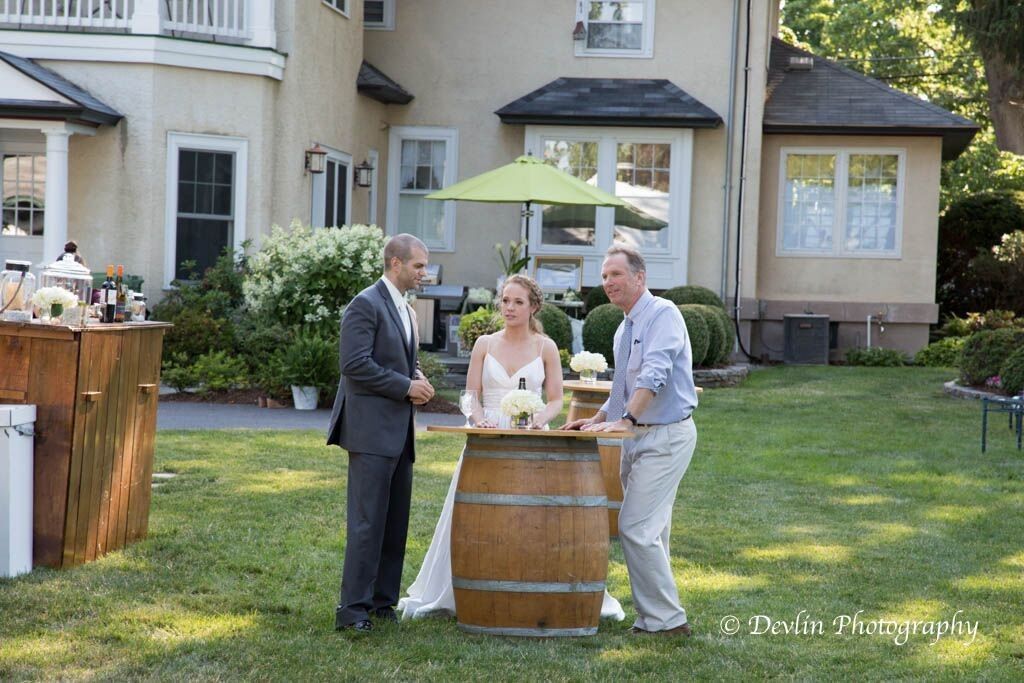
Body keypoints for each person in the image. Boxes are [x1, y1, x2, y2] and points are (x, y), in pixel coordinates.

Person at [398, 274, 625, 621]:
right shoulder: (485, 344)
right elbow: (470, 395)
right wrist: (478, 418)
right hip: (487, 432)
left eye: (518, 302)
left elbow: (554, 400)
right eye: (505, 301)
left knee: (535, 514)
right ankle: (462, 583)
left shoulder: (544, 346)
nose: (509, 308)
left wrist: (539, 419)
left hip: (531, 433)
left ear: (533, 306)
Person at [564, 243, 699, 637]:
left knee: (635, 528)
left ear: (640, 278)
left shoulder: (663, 314)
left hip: (667, 436)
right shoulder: (624, 327)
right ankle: (650, 617)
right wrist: (601, 416)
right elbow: (624, 384)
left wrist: (626, 419)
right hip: (635, 438)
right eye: (604, 276)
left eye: (616, 274)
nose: (607, 282)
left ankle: (669, 621)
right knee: (651, 531)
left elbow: (655, 374)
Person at [327, 233, 435, 634]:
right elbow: (354, 364)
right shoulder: (365, 304)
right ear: (395, 263)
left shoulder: (406, 309)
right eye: (419, 266)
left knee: (395, 522)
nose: (424, 273)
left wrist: (417, 375)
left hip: (400, 432)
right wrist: (406, 386)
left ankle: (382, 603)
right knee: (367, 523)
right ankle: (352, 611)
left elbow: (404, 359)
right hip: (370, 431)